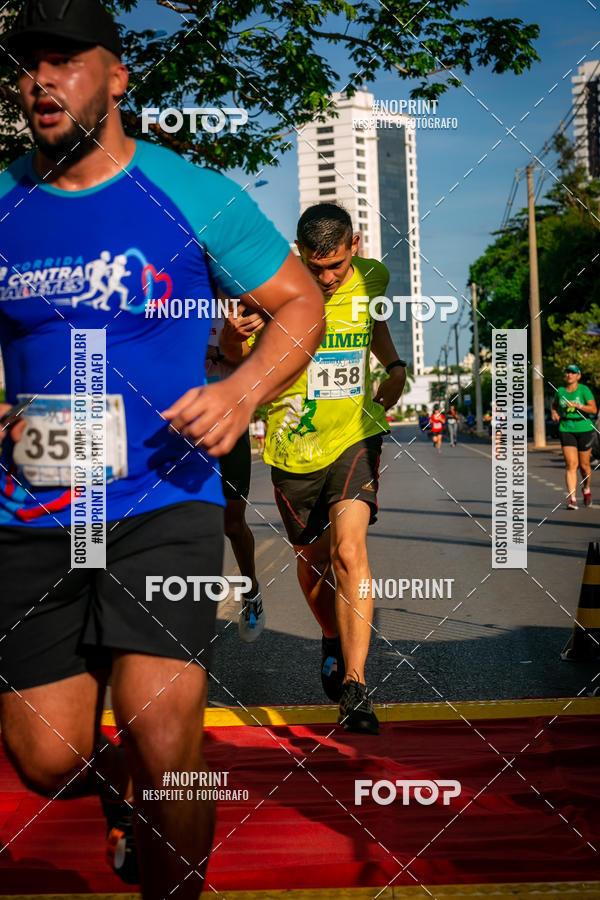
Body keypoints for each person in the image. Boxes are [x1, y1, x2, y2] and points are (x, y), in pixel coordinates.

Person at [0, 2, 324, 897]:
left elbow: (299, 304)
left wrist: (240, 391)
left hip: (161, 496)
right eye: (29, 64)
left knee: (165, 730)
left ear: (117, 78)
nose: (41, 81)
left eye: (65, 61)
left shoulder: (195, 192)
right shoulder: (2, 200)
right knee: (43, 758)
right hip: (36, 504)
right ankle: (114, 795)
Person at [225, 203, 406, 735]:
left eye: (336, 266)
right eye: (316, 266)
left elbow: (373, 323)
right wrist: (234, 333)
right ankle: (331, 633)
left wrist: (393, 367)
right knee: (315, 561)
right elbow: (233, 353)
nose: (327, 278)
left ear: (355, 244)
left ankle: (356, 684)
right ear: (299, 251)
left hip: (356, 434)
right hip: (291, 449)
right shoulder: (270, 289)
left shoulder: (372, 277)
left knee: (351, 550)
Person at [205, 314, 265, 642]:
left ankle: (251, 592)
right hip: (184, 427)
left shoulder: (238, 307)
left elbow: (258, 361)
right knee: (185, 522)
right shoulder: (171, 300)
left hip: (230, 426)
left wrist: (223, 352)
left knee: (232, 523)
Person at [551, 364, 597, 510]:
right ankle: (572, 499)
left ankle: (586, 489)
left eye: (573, 373)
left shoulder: (584, 390)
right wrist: (554, 412)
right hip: (566, 428)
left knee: (584, 466)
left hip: (584, 428)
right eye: (568, 372)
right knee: (571, 464)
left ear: (578, 376)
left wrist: (579, 406)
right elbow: (554, 405)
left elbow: (594, 409)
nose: (570, 375)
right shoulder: (561, 391)